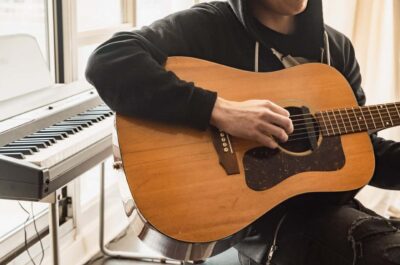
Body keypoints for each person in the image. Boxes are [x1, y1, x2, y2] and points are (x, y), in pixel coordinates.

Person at [85, 0, 400, 264]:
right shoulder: (210, 26)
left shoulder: (337, 49)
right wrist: (219, 111)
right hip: (259, 229)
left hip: (328, 213)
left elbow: (362, 150)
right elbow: (108, 61)